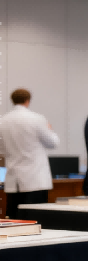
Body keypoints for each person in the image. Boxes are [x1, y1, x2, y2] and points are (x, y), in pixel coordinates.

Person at [0, 89, 60, 218]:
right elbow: (53, 143)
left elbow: (1, 150)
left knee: (14, 221)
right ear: (28, 101)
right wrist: (50, 129)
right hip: (35, 180)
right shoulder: (37, 119)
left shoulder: (3, 121)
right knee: (36, 221)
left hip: (13, 181)